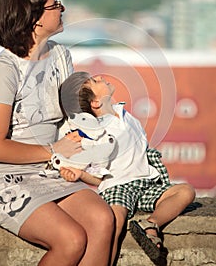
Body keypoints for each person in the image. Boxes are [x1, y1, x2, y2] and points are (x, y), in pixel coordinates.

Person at [0, 0, 114, 266]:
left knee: (102, 219)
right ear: (35, 17)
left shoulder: (60, 56)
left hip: (51, 168)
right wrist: (54, 151)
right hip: (4, 173)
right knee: (71, 239)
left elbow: (73, 117)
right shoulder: (6, 68)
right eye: (55, 4)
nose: (61, 8)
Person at [58, 71, 196, 264]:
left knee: (186, 191)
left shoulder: (125, 114)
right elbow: (98, 177)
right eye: (94, 81)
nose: (99, 77)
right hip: (119, 186)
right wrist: (80, 174)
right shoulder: (97, 134)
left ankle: (150, 225)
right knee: (115, 222)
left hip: (145, 183)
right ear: (96, 103)